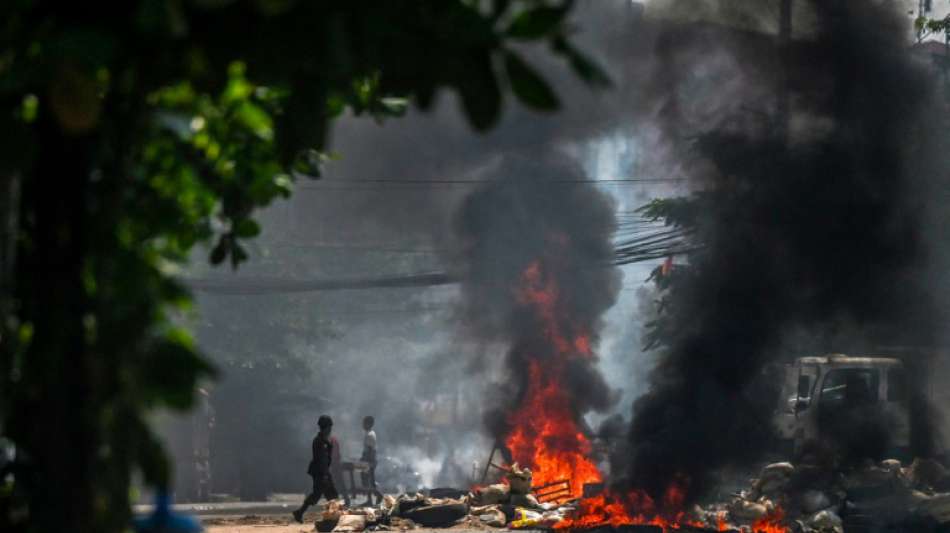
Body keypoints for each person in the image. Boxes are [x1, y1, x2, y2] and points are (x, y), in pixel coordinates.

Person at [293, 415, 339, 523]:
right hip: (320, 472)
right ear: (326, 427)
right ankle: (331, 518)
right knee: (325, 495)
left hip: (322, 472)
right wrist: (325, 475)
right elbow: (322, 460)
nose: (330, 430)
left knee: (328, 495)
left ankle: (331, 517)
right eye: (329, 427)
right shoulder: (320, 441)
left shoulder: (322, 440)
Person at [360, 415, 383, 505]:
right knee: (371, 482)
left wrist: (366, 461)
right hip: (370, 461)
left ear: (369, 424)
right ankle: (370, 499)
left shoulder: (370, 435)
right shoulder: (369, 434)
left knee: (366, 480)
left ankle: (377, 496)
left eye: (364, 423)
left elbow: (370, 450)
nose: (363, 425)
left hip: (369, 461)